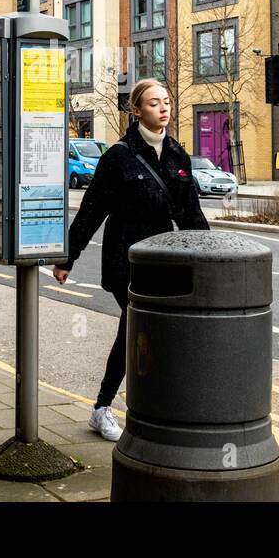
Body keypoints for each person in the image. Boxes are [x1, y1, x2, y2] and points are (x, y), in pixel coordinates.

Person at [51, 78, 210, 442]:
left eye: (166, 101)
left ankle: (142, 404)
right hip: (127, 262)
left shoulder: (177, 155)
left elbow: (191, 215)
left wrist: (211, 255)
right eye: (154, 103)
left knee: (151, 332)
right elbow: (91, 211)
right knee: (136, 327)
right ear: (136, 110)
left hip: (165, 262)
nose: (163, 108)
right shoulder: (118, 157)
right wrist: (67, 259)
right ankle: (103, 407)